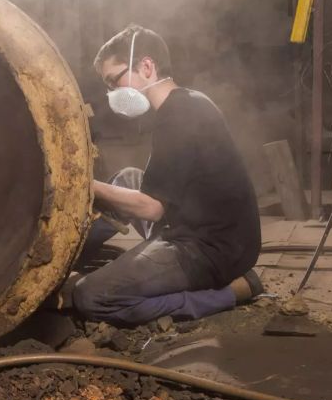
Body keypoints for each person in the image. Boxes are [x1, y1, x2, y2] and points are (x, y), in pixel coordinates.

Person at [72, 25, 262, 327]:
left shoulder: (179, 115)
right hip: (209, 228)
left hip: (210, 249)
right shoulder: (186, 103)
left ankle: (228, 293)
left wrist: (81, 185)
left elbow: (152, 208)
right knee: (126, 178)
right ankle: (72, 253)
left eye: (114, 81)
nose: (112, 93)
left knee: (90, 296)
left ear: (147, 66)